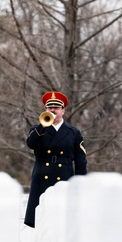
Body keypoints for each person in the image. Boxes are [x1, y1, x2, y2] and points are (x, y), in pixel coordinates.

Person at [23, 91, 87, 227]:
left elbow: (81, 161)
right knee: (40, 222)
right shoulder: (37, 129)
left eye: (56, 107)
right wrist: (42, 126)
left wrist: (80, 185)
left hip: (64, 179)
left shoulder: (74, 133)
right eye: (49, 107)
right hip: (41, 180)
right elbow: (31, 144)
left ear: (63, 110)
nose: (52, 110)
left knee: (63, 223)